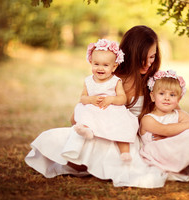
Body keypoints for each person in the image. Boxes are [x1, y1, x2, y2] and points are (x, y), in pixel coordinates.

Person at [25, 25, 168, 188]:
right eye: (144, 57)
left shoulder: (152, 81)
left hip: (127, 137)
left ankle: (97, 159)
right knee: (69, 146)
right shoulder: (110, 78)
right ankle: (86, 157)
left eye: (153, 57)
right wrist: (94, 114)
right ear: (132, 55)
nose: (149, 63)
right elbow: (75, 117)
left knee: (111, 158)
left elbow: (168, 110)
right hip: (103, 130)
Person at [72, 38, 138, 162]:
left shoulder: (115, 81)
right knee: (84, 112)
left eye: (105, 65)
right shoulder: (88, 81)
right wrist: (90, 99)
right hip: (94, 109)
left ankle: (125, 152)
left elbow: (122, 99)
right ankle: (87, 129)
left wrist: (112, 99)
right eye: (96, 64)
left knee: (122, 126)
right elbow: (82, 98)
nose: (100, 68)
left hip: (111, 110)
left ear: (114, 67)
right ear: (91, 62)